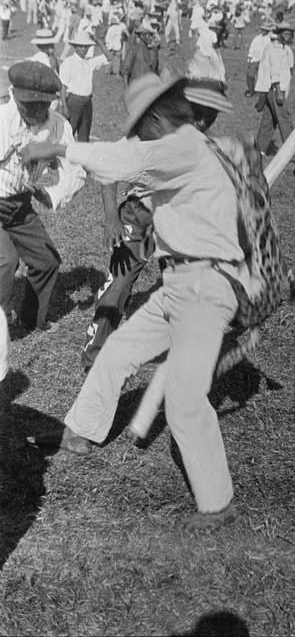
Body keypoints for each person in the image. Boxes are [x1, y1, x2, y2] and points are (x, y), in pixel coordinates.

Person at [22, 73, 247, 531]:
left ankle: (219, 504)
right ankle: (81, 433)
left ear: (158, 119)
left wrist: (57, 149)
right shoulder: (184, 150)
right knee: (117, 354)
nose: (138, 135)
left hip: (207, 287)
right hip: (180, 284)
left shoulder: (182, 145)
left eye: (140, 127)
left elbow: (126, 159)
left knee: (184, 401)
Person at [80, 69, 233, 373]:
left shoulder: (193, 133)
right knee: (119, 285)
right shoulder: (139, 137)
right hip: (137, 217)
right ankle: (94, 356)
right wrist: (111, 218)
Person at [0, 62, 85, 332]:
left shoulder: (59, 126)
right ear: (14, 95)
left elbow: (77, 169)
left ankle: (29, 320)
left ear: (51, 101)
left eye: (40, 106)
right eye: (27, 105)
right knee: (6, 259)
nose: (33, 111)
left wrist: (51, 193)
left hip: (20, 205)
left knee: (47, 261)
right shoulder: (3, 120)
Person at [60, 30, 112, 141]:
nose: (84, 49)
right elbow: (62, 87)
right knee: (69, 133)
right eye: (81, 47)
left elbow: (109, 57)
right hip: (74, 102)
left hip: (87, 102)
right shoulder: (69, 62)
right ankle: (65, 157)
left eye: (86, 47)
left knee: (84, 134)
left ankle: (80, 157)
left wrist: (98, 41)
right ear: (75, 47)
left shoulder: (89, 63)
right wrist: (64, 107)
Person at [255, 21, 294, 155]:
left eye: (290, 34)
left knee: (269, 120)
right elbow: (275, 72)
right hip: (276, 89)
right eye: (285, 34)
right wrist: (278, 91)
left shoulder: (280, 47)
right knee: (284, 118)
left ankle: (260, 148)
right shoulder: (276, 49)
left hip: (271, 89)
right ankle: (291, 148)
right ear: (279, 34)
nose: (288, 37)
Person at [245, 21, 273, 97]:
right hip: (255, 59)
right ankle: (251, 90)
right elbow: (252, 47)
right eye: (262, 29)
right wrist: (250, 57)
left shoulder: (270, 39)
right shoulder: (257, 38)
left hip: (265, 60)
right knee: (250, 75)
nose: (263, 31)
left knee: (263, 77)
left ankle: (262, 92)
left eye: (265, 30)